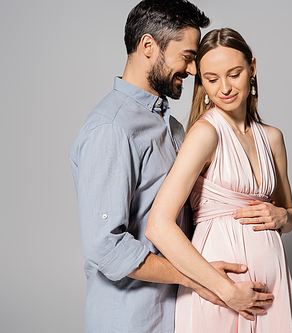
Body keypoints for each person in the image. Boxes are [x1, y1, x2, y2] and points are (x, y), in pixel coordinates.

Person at [69, 2, 276, 332]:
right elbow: (106, 247)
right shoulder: (111, 129)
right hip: (131, 320)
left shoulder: (173, 127)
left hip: (182, 313)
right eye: (188, 56)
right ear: (148, 46)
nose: (193, 70)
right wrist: (202, 279)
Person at [146, 28, 292, 332]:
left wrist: (283, 216)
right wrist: (227, 291)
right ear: (201, 82)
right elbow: (158, 225)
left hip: (272, 292)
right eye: (212, 78)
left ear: (252, 69)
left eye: (234, 74)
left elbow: (291, 216)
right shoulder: (206, 134)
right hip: (222, 294)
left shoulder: (272, 138)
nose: (225, 88)